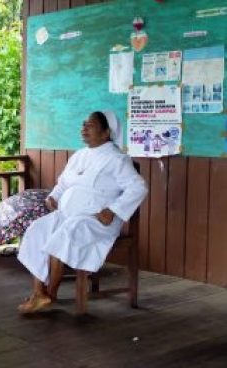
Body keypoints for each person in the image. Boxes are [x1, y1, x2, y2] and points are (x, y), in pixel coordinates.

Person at [16, 111, 147, 314]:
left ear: (106, 133)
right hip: (67, 214)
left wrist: (114, 210)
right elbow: (63, 183)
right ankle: (39, 292)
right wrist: (54, 196)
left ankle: (50, 294)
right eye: (83, 124)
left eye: (90, 125)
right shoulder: (79, 156)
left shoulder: (117, 159)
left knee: (66, 233)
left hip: (95, 220)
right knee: (37, 229)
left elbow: (138, 188)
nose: (84, 128)